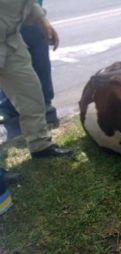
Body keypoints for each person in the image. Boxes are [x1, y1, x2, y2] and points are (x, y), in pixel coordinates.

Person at [0, 0, 72, 158]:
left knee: (31, 93)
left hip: (10, 42)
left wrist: (44, 22)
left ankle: (40, 146)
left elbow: (27, 3)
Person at [0, 0, 57, 124]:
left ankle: (40, 141)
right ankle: (7, 107)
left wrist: (42, 20)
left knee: (32, 92)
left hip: (16, 33)